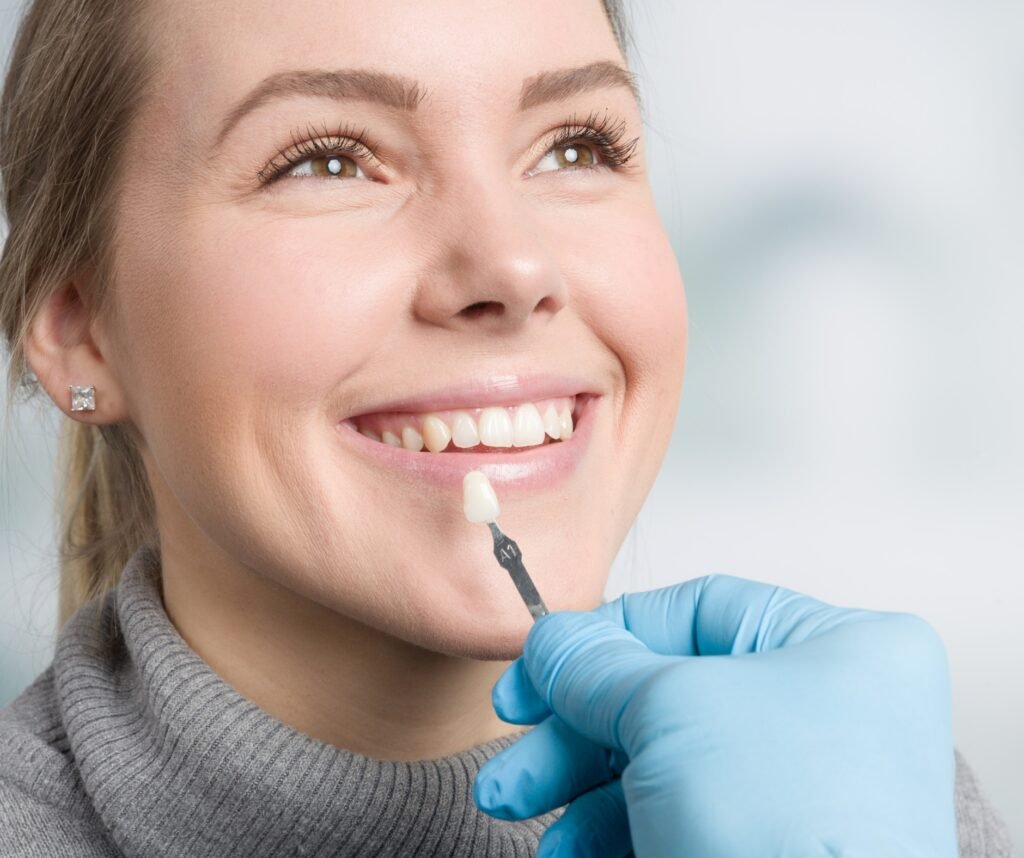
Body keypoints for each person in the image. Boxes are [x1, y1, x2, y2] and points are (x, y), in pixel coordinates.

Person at [0, 0, 1012, 856]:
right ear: (80, 329)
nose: (513, 268)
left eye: (576, 146)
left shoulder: (863, 807)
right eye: (327, 162)